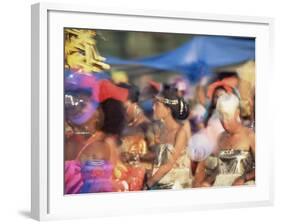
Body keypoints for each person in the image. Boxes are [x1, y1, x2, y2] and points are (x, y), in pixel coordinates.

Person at [193, 93, 255, 187]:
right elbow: (220, 169)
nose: (224, 121)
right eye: (221, 116)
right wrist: (207, 181)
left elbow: (264, 168)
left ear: (237, 113)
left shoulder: (250, 136)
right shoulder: (221, 137)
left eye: (227, 115)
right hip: (220, 186)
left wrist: (244, 178)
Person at [144, 89, 192, 190]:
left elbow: (169, 164)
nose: (153, 108)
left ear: (168, 109)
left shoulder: (180, 132)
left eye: (157, 105)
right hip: (160, 182)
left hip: (176, 187)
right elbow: (160, 159)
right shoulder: (161, 131)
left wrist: (148, 184)